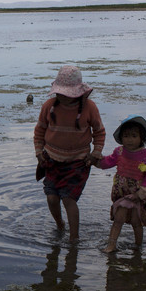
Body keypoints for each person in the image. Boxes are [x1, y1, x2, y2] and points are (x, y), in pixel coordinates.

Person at [33, 66, 106, 242]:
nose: (62, 97)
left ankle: (74, 238)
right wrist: (38, 152)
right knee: (52, 198)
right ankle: (60, 225)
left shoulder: (89, 108)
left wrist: (96, 153)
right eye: (60, 93)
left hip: (78, 162)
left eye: (67, 94)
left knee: (68, 199)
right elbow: (40, 131)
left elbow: (99, 132)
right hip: (52, 159)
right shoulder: (49, 107)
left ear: (77, 93)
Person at [94, 115, 146, 253]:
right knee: (118, 219)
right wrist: (96, 161)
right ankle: (111, 245)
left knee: (136, 222)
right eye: (126, 136)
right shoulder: (119, 152)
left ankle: (138, 246)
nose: (130, 139)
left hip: (138, 196)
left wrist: (139, 195)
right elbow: (108, 162)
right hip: (123, 195)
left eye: (134, 136)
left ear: (142, 138)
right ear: (121, 137)